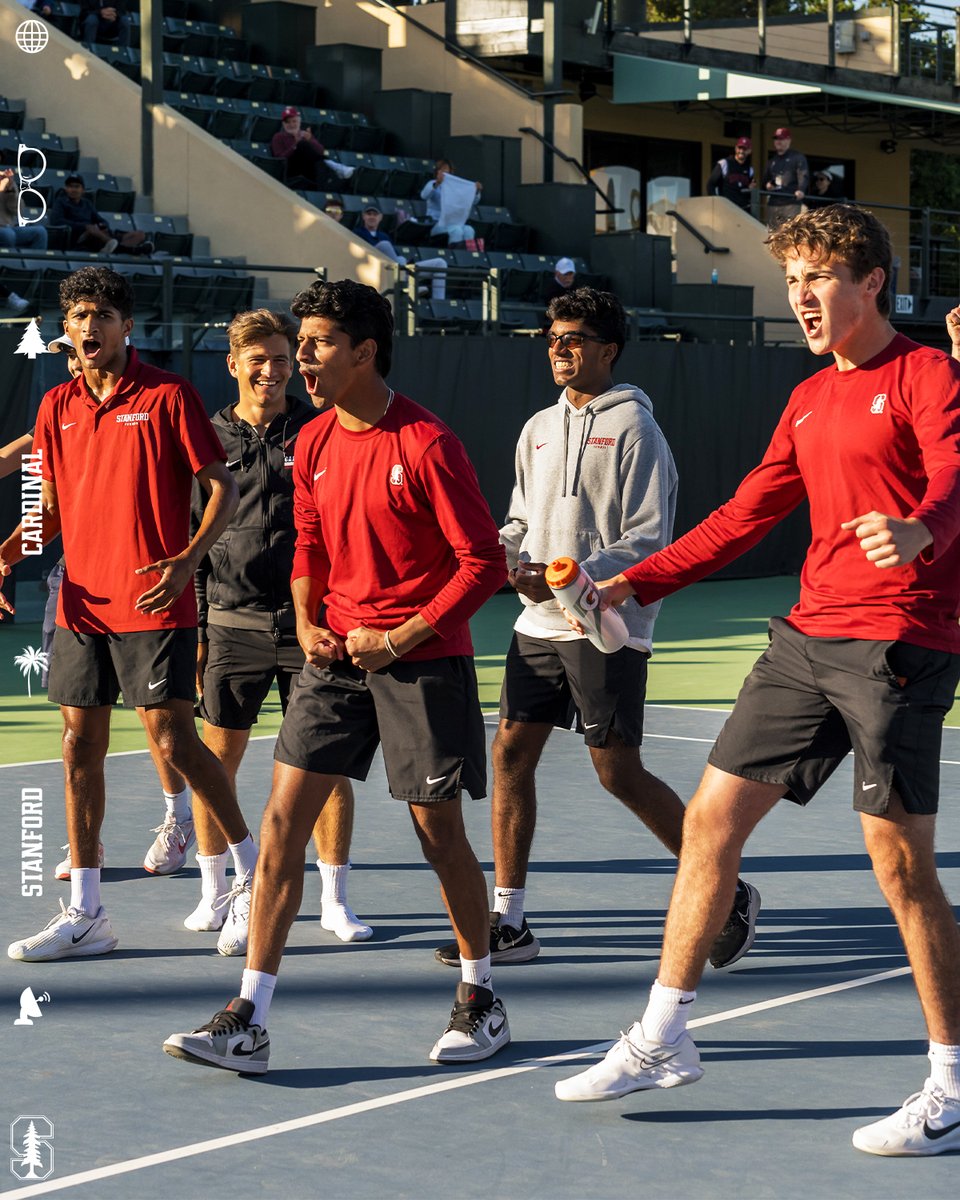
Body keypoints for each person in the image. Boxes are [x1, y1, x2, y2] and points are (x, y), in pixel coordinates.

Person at [554, 205, 960, 1159]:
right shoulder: (811, 398)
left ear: (871, 284)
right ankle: (663, 1034)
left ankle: (950, 1083)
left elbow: (954, 475)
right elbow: (744, 516)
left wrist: (920, 532)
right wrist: (634, 580)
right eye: (791, 283)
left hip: (897, 640)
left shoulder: (928, 376)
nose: (802, 298)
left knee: (901, 869)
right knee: (709, 822)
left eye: (818, 278)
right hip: (806, 640)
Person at [162, 279, 509, 1075]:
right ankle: (248, 1016)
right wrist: (311, 618)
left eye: (316, 344)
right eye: (300, 343)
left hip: (422, 661)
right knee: (283, 825)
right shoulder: (312, 443)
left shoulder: (427, 443)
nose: (302, 360)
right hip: (335, 657)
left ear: (365, 352)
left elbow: (482, 563)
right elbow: (311, 544)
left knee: (437, 832)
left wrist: (404, 635)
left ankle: (480, 995)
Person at [435, 287, 758, 973]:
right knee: (510, 757)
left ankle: (727, 894)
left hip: (606, 624)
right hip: (537, 625)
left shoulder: (639, 431)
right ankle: (510, 921)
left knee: (618, 772)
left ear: (608, 350)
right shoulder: (536, 429)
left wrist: (572, 573)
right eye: (553, 336)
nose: (559, 347)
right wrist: (508, 556)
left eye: (575, 338)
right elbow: (520, 518)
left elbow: (648, 539)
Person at [1, 265, 259, 964]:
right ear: (68, 329)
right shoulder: (55, 406)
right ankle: (87, 912)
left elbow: (223, 490)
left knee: (175, 744)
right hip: (82, 603)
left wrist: (186, 561)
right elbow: (49, 509)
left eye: (102, 316)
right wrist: (5, 555)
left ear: (126, 328)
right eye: (79, 316)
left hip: (154, 600)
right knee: (77, 745)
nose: (90, 328)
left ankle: (248, 875)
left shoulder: (169, 396)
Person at [187, 307, 370, 950]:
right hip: (230, 624)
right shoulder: (204, 440)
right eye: (257, 359)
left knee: (328, 764)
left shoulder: (320, 431)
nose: (271, 370)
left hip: (312, 628)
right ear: (233, 364)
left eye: (281, 359)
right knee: (218, 759)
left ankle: (335, 899)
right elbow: (195, 542)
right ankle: (217, 892)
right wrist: (203, 623)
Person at [355, 203, 448, 299]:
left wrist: (404, 262)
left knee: (440, 263)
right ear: (363, 216)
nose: (372, 217)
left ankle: (439, 303)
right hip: (378, 270)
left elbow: (397, 256)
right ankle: (408, 285)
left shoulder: (384, 236)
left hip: (398, 270)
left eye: (375, 214)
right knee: (385, 245)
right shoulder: (357, 233)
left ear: (381, 217)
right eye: (369, 214)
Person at [49, 175, 153, 256]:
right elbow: (56, 221)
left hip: (97, 235)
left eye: (77, 186)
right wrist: (84, 226)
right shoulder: (60, 202)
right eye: (70, 186)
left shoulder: (87, 203)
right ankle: (130, 250)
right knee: (91, 229)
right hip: (80, 237)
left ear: (83, 190)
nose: (73, 189)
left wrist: (102, 225)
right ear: (66, 189)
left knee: (139, 234)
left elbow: (100, 219)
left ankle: (116, 248)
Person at [271, 108, 339, 192]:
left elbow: (320, 151)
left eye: (294, 121)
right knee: (303, 145)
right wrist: (295, 145)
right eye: (287, 122)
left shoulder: (305, 135)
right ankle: (334, 166)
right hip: (290, 168)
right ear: (283, 124)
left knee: (318, 161)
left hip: (307, 167)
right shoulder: (278, 137)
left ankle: (325, 187)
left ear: (299, 122)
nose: (291, 124)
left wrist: (310, 139)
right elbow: (279, 158)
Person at [419, 158, 482, 247]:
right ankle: (455, 257)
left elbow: (473, 201)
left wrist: (476, 191)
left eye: (447, 170)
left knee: (469, 230)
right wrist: (437, 183)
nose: (444, 172)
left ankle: (469, 257)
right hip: (436, 223)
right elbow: (424, 195)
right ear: (437, 171)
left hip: (454, 222)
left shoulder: (455, 187)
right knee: (456, 230)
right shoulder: (432, 183)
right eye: (442, 169)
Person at [762, 127, 808, 229]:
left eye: (781, 139)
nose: (778, 141)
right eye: (776, 139)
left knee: (789, 232)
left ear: (788, 140)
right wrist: (767, 185)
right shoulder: (772, 161)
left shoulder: (797, 157)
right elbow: (765, 180)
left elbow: (803, 174)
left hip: (790, 202)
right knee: (772, 234)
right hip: (773, 202)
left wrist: (801, 190)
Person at [0, 167, 48, 253]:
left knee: (40, 232)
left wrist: (10, 190)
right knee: (8, 235)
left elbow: (18, 210)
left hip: (8, 227)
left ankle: (34, 265)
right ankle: (9, 263)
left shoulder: (5, 180)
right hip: (6, 231)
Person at [706, 137, 756, 212]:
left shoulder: (750, 169)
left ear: (749, 151)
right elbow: (710, 185)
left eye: (744, 149)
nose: (741, 151)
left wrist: (750, 189)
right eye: (739, 148)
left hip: (743, 211)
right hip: (726, 210)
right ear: (736, 148)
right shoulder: (724, 163)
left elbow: (748, 192)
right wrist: (717, 204)